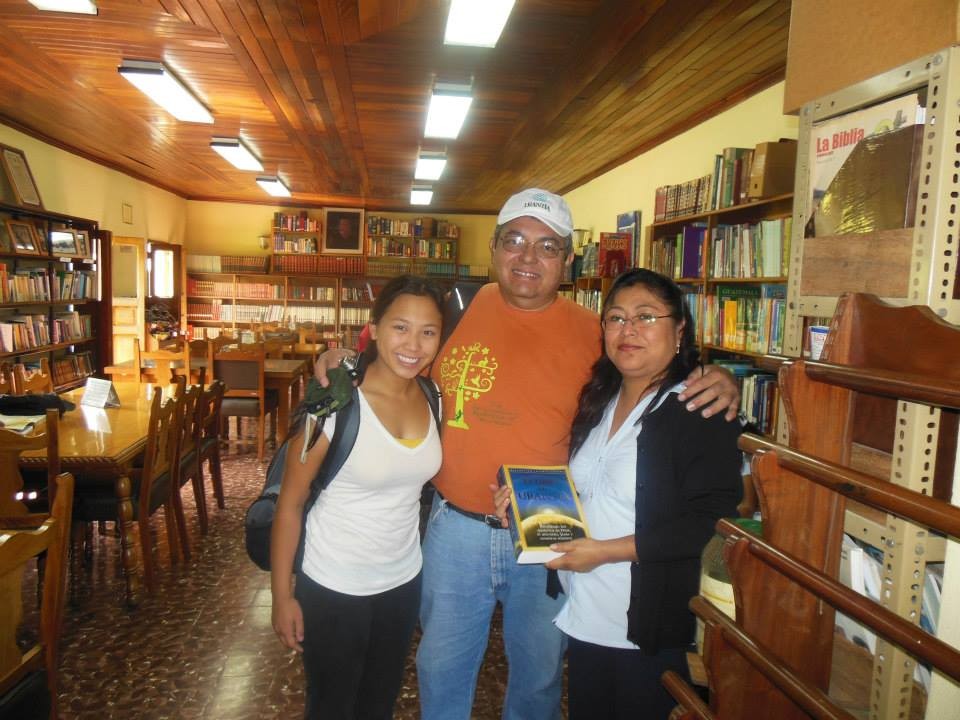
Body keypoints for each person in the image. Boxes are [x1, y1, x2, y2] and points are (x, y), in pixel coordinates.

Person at [315, 188, 740, 720]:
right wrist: (342, 359)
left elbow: (652, 377)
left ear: (567, 260)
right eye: (515, 240)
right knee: (441, 666)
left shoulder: (598, 333)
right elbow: (395, 352)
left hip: (549, 527)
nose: (528, 257)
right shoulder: (454, 310)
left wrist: (715, 376)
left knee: (539, 676)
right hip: (456, 526)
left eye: (547, 246)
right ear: (494, 248)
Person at [494, 268, 743, 719]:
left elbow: (710, 521)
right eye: (616, 318)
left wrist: (607, 552)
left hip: (649, 626)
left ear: (679, 330)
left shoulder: (699, 407)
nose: (628, 330)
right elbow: (589, 491)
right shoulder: (599, 398)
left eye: (646, 317)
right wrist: (527, 505)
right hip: (586, 610)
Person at [271, 274, 445, 720]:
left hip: (403, 581)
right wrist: (281, 595)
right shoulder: (333, 402)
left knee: (379, 702)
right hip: (334, 583)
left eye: (428, 332)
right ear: (374, 329)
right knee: (331, 705)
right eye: (400, 327)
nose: (414, 344)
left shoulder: (433, 396)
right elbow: (290, 504)